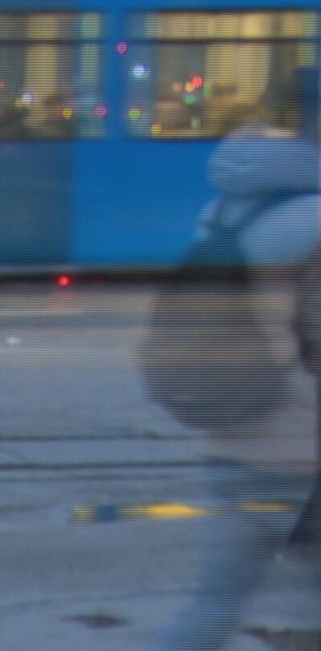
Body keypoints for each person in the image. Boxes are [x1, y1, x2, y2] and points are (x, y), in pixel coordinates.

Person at [151, 66, 321, 650]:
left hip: (233, 436)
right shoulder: (315, 219)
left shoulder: (231, 207)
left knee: (214, 604)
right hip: (300, 449)